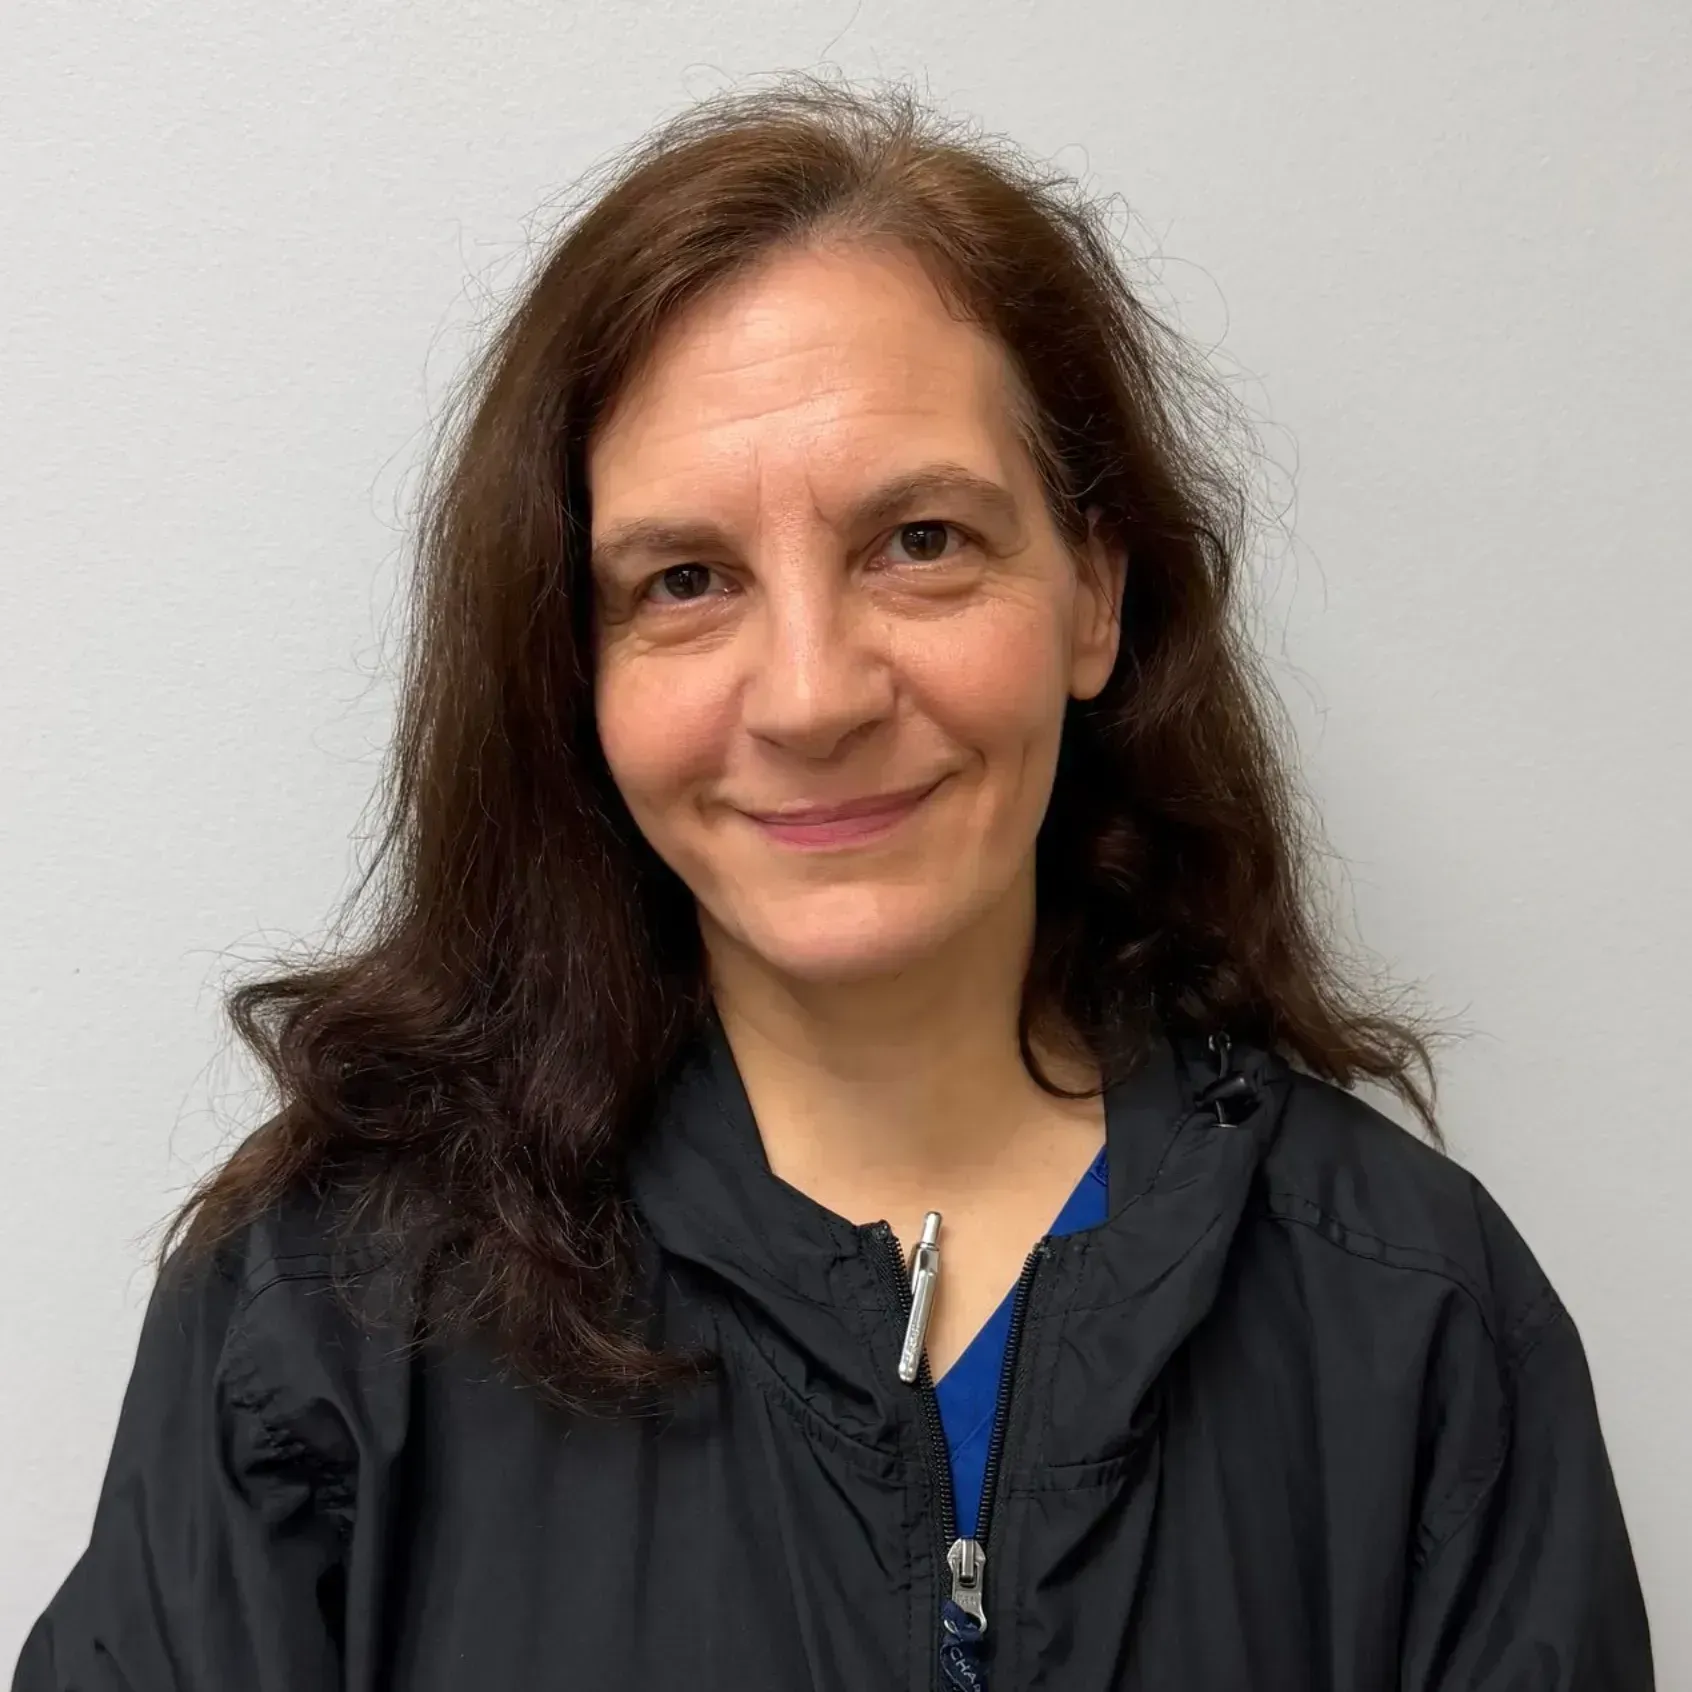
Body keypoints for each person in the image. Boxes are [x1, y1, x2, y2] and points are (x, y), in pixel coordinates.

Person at [15, 77, 1652, 1691]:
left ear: (1094, 593)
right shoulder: (325, 1323)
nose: (810, 694)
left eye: (919, 540)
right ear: (573, 669)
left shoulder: (1419, 1320)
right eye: (685, 579)